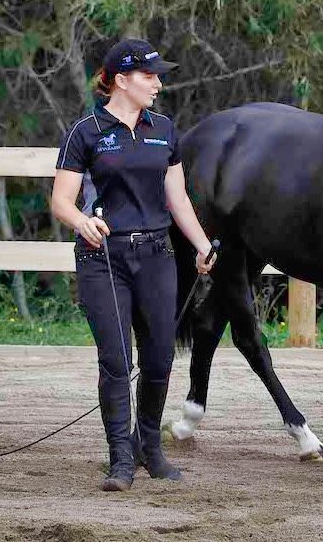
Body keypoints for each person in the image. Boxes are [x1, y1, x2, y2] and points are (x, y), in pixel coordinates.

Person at [50, 38, 216, 492]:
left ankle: (150, 449)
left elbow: (176, 197)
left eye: (159, 76)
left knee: (160, 356)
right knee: (117, 361)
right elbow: (62, 201)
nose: (158, 84)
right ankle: (120, 458)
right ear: (121, 80)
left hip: (157, 257)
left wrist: (202, 245)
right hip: (103, 258)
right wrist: (83, 222)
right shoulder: (85, 132)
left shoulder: (164, 129)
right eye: (149, 76)